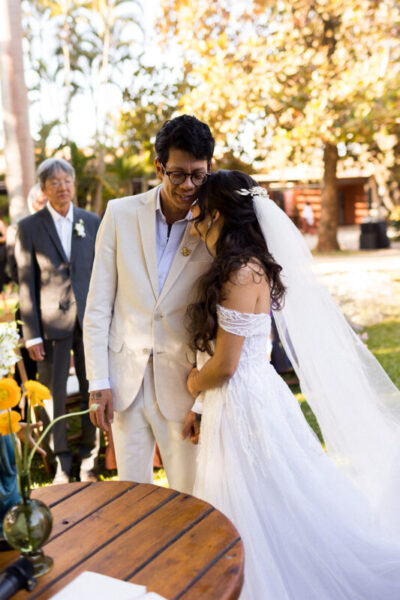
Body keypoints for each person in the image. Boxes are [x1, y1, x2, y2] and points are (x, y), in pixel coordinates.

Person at [182, 170, 400, 600]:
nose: (193, 224)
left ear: (218, 214)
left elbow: (225, 365)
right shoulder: (248, 266)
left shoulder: (240, 273)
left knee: (259, 499)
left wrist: (193, 384)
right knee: (266, 497)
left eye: (199, 213)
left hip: (243, 401)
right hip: (249, 394)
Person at [83, 115, 215, 493]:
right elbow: (98, 306)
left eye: (198, 175)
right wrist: (98, 382)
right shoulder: (119, 214)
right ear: (159, 167)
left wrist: (203, 403)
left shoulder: (214, 225)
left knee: (189, 499)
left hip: (184, 387)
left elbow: (216, 318)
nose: (188, 185)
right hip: (124, 384)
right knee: (131, 497)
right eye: (178, 174)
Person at [15, 158, 100, 483]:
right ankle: (62, 464)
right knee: (54, 396)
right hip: (51, 327)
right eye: (54, 182)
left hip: (89, 323)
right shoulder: (29, 227)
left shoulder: (91, 221)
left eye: (67, 181)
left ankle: (90, 460)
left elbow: (103, 273)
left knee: (95, 389)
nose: (62, 187)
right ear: (44, 188)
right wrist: (32, 335)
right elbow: (25, 283)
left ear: (73, 184)